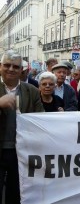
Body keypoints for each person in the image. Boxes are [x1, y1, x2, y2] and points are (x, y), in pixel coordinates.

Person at [0, 50, 44, 204]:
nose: (11, 69)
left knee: (16, 192)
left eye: (15, 66)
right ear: (0, 67)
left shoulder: (31, 90)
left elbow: (41, 119)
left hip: (21, 152)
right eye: (7, 65)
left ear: (21, 70)